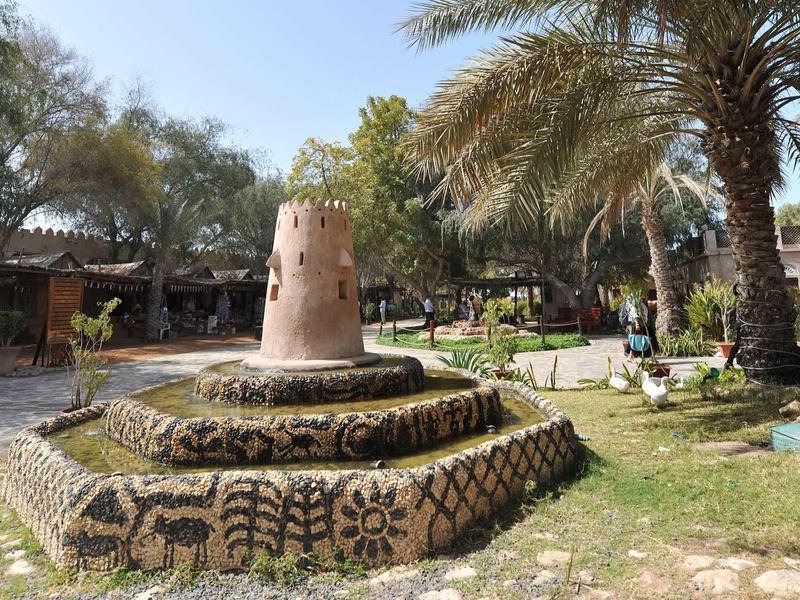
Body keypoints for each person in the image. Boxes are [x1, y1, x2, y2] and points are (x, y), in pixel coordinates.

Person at [724, 284, 740, 370]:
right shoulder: (740, 302)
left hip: (741, 325)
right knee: (738, 344)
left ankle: (729, 362)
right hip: (741, 325)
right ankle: (729, 362)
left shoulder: (740, 301)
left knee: (738, 344)